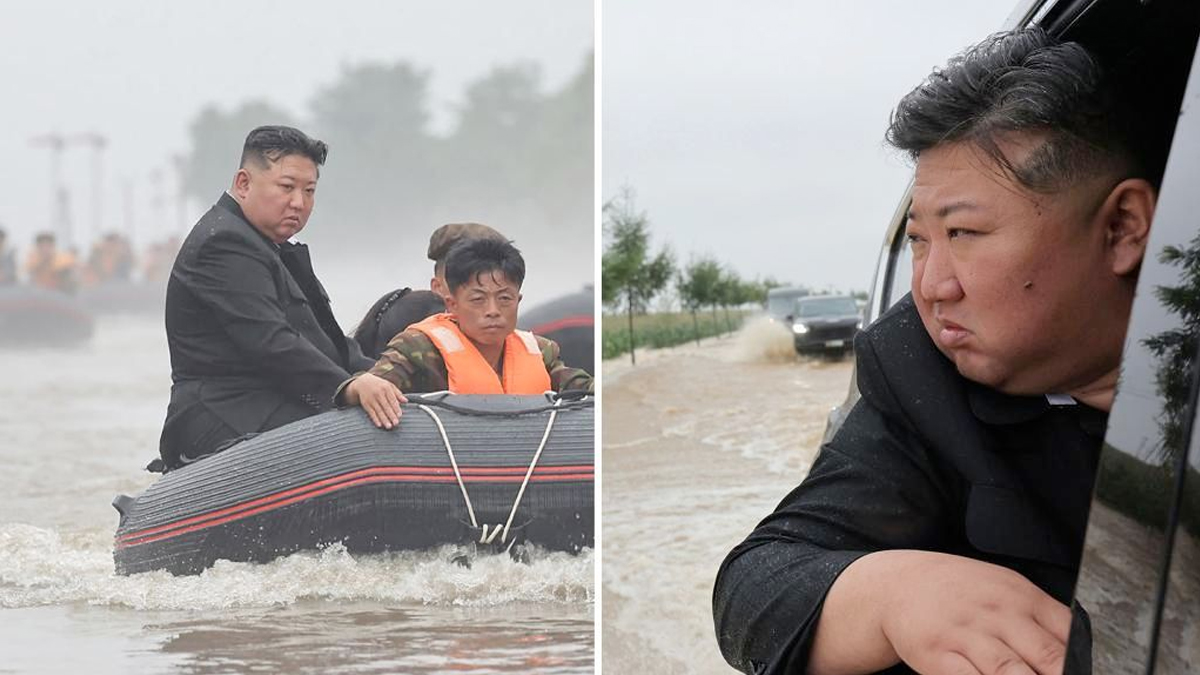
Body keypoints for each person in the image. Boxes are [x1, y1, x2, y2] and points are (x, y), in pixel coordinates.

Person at [713, 28, 1174, 675]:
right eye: (921, 241)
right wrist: (891, 593)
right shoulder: (918, 373)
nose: (931, 286)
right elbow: (755, 586)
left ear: (1122, 228)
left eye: (964, 232)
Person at [157, 125, 373, 471]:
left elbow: (323, 340)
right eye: (287, 187)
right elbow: (271, 342)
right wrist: (346, 388)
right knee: (362, 439)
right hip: (222, 414)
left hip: (269, 402)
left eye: (309, 191)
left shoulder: (270, 247)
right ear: (244, 183)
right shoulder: (223, 243)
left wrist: (386, 376)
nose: (299, 203)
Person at [340, 237, 593, 429]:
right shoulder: (419, 347)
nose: (493, 311)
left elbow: (583, 389)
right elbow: (374, 384)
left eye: (505, 299)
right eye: (478, 300)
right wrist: (357, 386)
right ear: (452, 304)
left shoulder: (541, 351)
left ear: (519, 300)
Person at [352, 222, 508, 359]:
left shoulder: (513, 343)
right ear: (438, 287)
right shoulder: (414, 325)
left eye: (502, 294)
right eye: (467, 280)